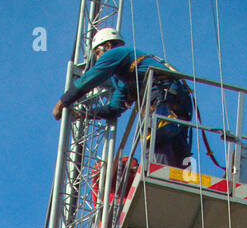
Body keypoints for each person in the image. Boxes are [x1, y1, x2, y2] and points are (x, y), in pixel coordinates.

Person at [52, 28, 194, 168]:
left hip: (163, 95)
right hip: (177, 98)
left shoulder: (116, 53)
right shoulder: (124, 78)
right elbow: (114, 108)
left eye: (97, 53)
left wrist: (63, 102)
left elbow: (90, 78)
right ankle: (183, 179)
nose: (98, 58)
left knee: (157, 139)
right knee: (175, 142)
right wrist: (85, 114)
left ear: (107, 46)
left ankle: (162, 177)